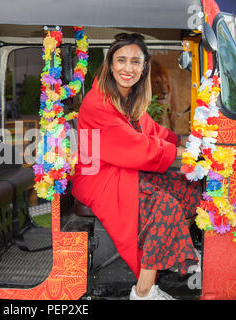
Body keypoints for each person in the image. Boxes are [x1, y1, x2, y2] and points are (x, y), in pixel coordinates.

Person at [71, 33, 201, 300]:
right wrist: (178, 152)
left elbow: (151, 130)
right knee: (165, 206)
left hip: (125, 168)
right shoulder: (98, 102)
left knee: (191, 191)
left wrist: (182, 141)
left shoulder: (129, 97)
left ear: (144, 68)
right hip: (101, 176)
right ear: (110, 64)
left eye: (135, 62)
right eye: (121, 60)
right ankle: (143, 292)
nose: (127, 68)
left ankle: (172, 246)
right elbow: (134, 147)